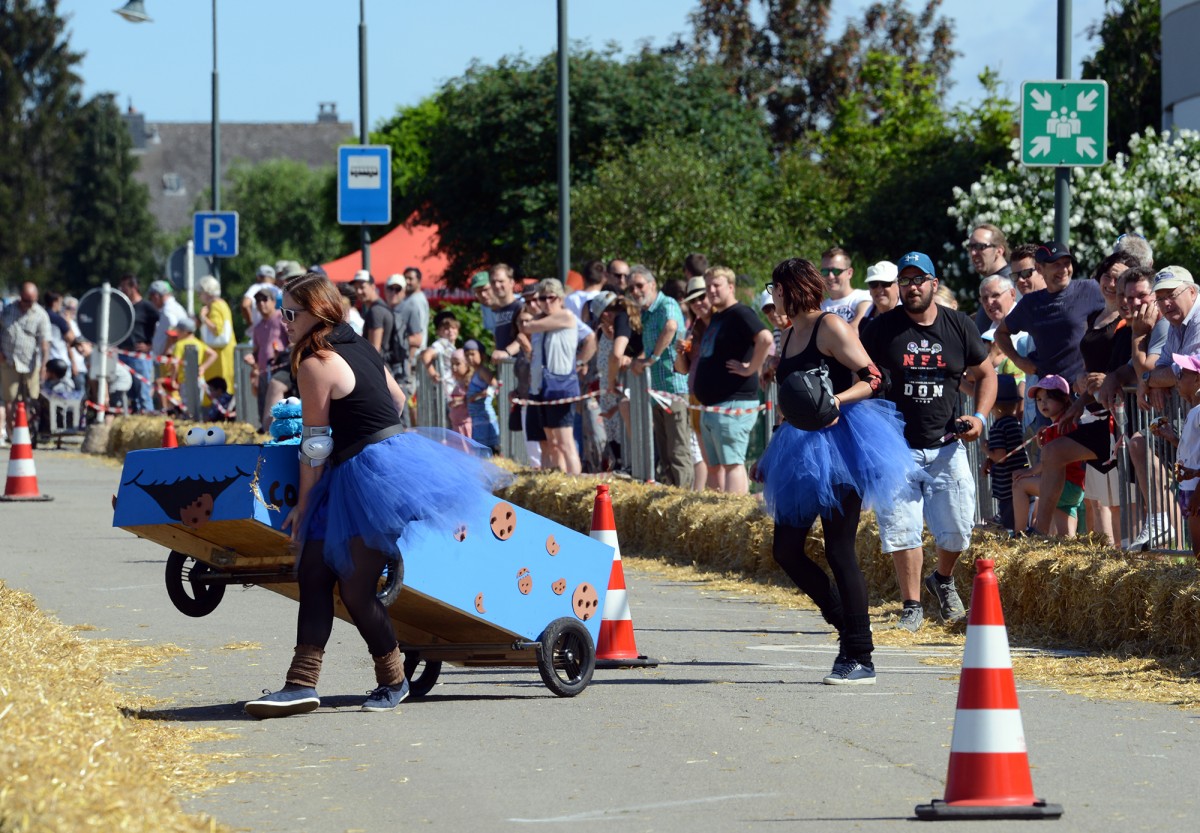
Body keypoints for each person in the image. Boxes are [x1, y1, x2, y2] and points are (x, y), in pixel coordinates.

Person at [244, 272, 509, 718]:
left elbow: (314, 446)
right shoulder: (358, 345)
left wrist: (304, 506)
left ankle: (393, 679)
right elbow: (399, 399)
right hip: (379, 462)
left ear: (317, 313)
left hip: (368, 474)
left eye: (291, 313)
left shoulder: (314, 362)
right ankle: (301, 684)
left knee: (356, 586)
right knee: (312, 570)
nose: (285, 321)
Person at [756, 257, 914, 685]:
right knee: (785, 550)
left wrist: (836, 402)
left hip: (845, 444)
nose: (773, 297)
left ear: (792, 288)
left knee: (839, 549)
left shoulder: (831, 327)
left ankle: (860, 656)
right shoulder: (788, 335)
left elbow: (874, 378)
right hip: (798, 447)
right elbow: (793, 401)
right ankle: (846, 623)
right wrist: (770, 449)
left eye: (776, 289)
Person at [860, 251, 996, 632]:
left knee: (956, 528)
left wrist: (980, 418)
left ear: (934, 284)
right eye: (905, 280)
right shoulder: (880, 329)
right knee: (901, 528)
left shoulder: (958, 326)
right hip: (895, 447)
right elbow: (854, 371)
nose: (912, 286)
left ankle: (943, 579)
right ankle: (912, 605)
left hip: (946, 443)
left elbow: (986, 374)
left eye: (920, 279)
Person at [693, 266, 773, 494]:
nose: (711, 290)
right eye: (708, 286)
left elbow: (765, 338)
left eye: (716, 285)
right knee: (715, 466)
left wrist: (751, 368)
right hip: (714, 406)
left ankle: (734, 515)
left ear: (730, 287)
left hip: (733, 403)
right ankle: (717, 516)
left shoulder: (741, 312)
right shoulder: (718, 316)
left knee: (732, 464)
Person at [996, 242, 1105, 390]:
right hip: (1049, 396)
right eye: (1056, 265)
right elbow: (1000, 333)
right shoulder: (1030, 303)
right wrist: (1018, 360)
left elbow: (1118, 314)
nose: (1064, 269)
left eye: (1067, 263)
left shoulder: (1091, 289)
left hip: (1084, 393)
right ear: (1040, 269)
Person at [629, 265, 693, 488]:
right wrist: (640, 359)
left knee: (678, 449)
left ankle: (684, 499)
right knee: (666, 452)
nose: (635, 291)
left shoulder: (667, 304)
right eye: (632, 287)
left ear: (653, 284)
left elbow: (672, 327)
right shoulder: (647, 313)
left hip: (674, 387)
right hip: (657, 390)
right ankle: (672, 495)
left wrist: (651, 359)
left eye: (640, 285)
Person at [1012, 376, 1086, 537]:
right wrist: (1041, 444)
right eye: (1039, 399)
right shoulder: (1058, 425)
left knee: (1020, 484)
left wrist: (1029, 472)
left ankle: (1019, 535)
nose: (1042, 403)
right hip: (1074, 487)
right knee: (1066, 538)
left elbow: (1050, 461)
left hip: (1064, 485)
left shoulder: (1062, 425)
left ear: (1064, 399)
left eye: (1048, 398)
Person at [522, 279, 582, 474]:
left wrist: (534, 316)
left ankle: (576, 483)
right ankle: (559, 481)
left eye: (551, 298)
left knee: (565, 441)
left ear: (561, 299)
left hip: (561, 385)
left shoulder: (566, 316)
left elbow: (528, 325)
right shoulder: (542, 322)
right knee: (551, 442)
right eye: (542, 298)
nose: (547, 302)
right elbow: (526, 325)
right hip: (542, 387)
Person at [1152, 352, 1200, 557]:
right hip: (1191, 488)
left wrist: (1198, 493)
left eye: (1182, 374)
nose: (1177, 380)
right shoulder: (1194, 411)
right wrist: (1172, 438)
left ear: (1197, 378)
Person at [0, 282, 52, 442]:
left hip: (30, 364)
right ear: (21, 297)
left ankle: (26, 430)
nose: (29, 304)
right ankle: (10, 431)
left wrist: (44, 364)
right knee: (9, 399)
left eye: (32, 301)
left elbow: (44, 343)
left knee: (31, 399)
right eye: (26, 300)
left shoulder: (40, 314)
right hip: (9, 361)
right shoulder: (8, 311)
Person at [674, 277, 712, 488]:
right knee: (704, 454)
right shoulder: (693, 329)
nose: (698, 303)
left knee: (724, 461)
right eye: (693, 300)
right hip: (695, 396)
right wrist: (679, 353)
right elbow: (682, 369)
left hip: (717, 398)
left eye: (702, 297)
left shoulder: (721, 323)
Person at [984, 375, 1030, 532]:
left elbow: (1000, 457)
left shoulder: (997, 427)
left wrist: (985, 449)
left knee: (1009, 521)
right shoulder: (1015, 423)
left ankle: (1013, 536)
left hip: (1005, 486)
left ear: (993, 405)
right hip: (1017, 479)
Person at [244, 289, 289, 431]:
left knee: (281, 404)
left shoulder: (282, 318)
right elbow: (257, 350)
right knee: (263, 403)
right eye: (258, 301)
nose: (261, 303)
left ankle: (279, 430)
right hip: (264, 371)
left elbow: (292, 342)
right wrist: (252, 358)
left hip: (281, 369)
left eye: (265, 300)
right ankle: (265, 431)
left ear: (274, 302)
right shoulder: (257, 327)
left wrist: (283, 354)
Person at [117, 275, 161, 413]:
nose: (122, 290)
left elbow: (163, 326)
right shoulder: (124, 307)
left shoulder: (147, 307)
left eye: (124, 287)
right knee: (130, 395)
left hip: (139, 356)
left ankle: (147, 417)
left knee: (143, 393)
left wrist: (151, 345)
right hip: (122, 354)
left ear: (133, 287)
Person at [196, 275, 236, 397]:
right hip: (225, 351)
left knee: (218, 383)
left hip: (219, 354)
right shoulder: (222, 303)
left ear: (206, 292)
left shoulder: (215, 305)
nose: (199, 296)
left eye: (200, 293)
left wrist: (203, 318)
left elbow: (216, 329)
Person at [462, 338, 500, 452]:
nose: (470, 358)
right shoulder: (475, 372)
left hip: (485, 417)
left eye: (473, 354)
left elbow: (495, 386)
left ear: (482, 355)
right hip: (477, 419)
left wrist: (478, 395)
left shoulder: (483, 371)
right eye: (467, 355)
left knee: (488, 448)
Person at [819, 247, 870, 327]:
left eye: (836, 271)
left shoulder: (864, 297)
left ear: (849, 273)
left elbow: (856, 329)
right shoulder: (820, 306)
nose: (830, 276)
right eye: (825, 272)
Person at [858, 261, 898, 333]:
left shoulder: (910, 317)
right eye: (873, 284)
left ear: (898, 286)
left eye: (885, 283)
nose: (879, 289)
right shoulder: (864, 322)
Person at [447, 348, 473, 439]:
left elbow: (473, 398)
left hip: (465, 427)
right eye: (452, 364)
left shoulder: (469, 382)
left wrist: (462, 400)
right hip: (456, 427)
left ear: (467, 365)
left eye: (458, 364)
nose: (454, 367)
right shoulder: (458, 383)